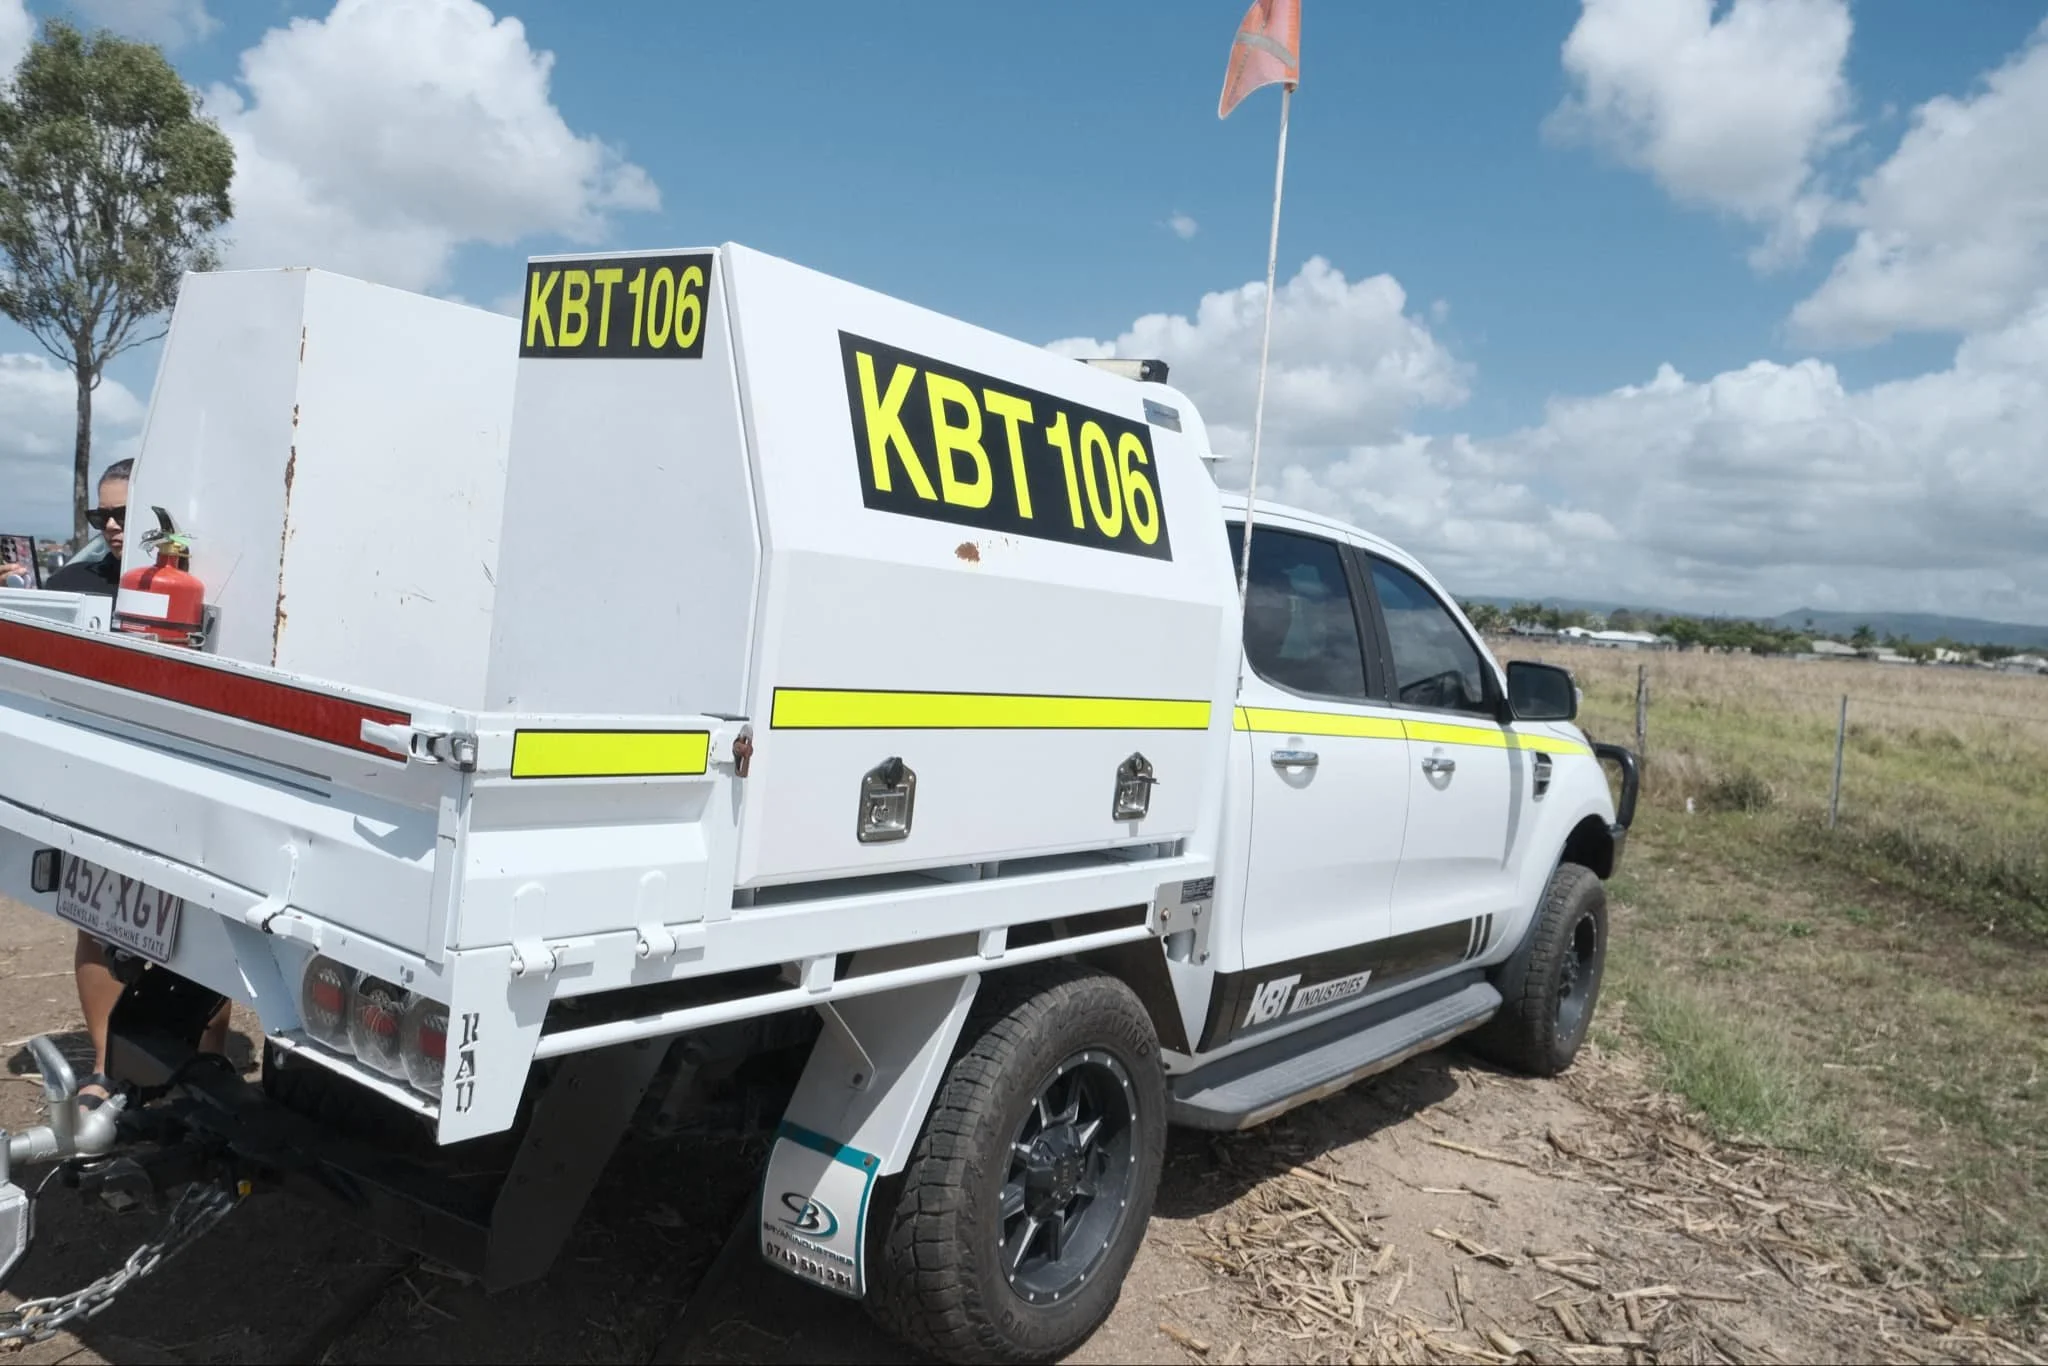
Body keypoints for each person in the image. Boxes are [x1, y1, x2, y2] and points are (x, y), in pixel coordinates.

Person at [35, 459, 231, 1107]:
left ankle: (201, 1072)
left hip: (188, 784)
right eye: (102, 516)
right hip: (97, 785)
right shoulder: (73, 583)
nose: (114, 526)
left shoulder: (214, 587)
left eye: (126, 514)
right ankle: (106, 1066)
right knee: (99, 920)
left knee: (203, 935)